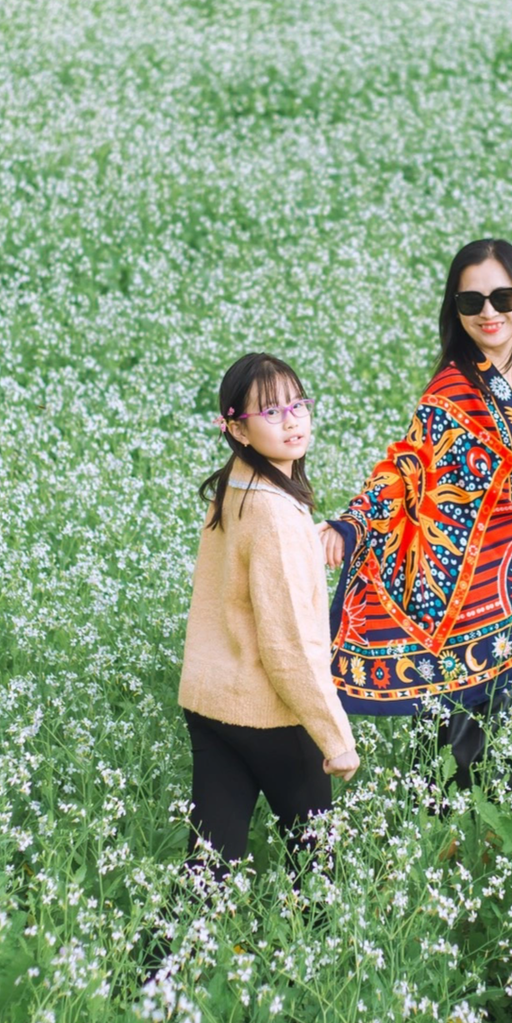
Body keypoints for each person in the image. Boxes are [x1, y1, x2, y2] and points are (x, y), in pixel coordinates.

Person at [319, 239, 512, 791]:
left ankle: (509, 854)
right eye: (471, 302)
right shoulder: (454, 389)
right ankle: (446, 856)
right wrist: (351, 523)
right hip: (474, 603)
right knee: (462, 755)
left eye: (502, 297)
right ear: (454, 310)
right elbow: (407, 469)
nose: (489, 313)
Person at [179, 353, 359, 873]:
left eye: (298, 404)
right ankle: (323, 951)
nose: (293, 421)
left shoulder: (234, 485)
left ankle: (161, 957)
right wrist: (334, 737)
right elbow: (290, 644)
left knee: (209, 870)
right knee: (318, 870)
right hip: (271, 714)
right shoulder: (276, 515)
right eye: (273, 412)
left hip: (212, 704)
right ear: (236, 428)